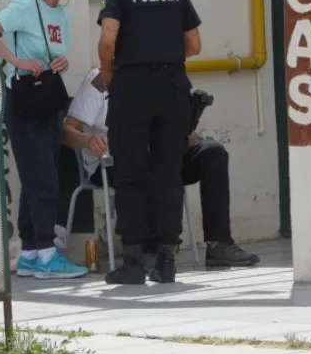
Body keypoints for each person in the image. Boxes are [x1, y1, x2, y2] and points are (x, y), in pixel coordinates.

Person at [62, 68, 260, 269]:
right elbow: (68, 131)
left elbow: (184, 132)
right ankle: (149, 249)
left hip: (163, 155)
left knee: (212, 153)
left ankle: (219, 243)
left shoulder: (163, 77)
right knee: (146, 163)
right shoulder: (100, 79)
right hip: (112, 163)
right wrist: (88, 140)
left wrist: (186, 130)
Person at [97, 0, 202, 285]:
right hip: (173, 88)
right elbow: (194, 44)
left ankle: (132, 263)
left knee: (129, 174)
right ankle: (167, 263)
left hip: (132, 88)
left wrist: (112, 79)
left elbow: (107, 41)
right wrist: (165, 58)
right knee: (168, 174)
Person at [0, 0, 88, 280]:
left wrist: (60, 62)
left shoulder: (60, 14)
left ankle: (29, 252)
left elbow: (53, 50)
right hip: (24, 99)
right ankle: (47, 253)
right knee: (45, 179)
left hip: (47, 99)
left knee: (40, 173)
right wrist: (17, 62)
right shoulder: (28, 5)